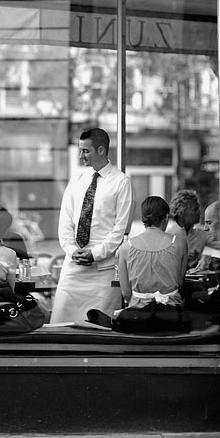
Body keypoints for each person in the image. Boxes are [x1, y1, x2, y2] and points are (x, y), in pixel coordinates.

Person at [50, 127, 135, 324]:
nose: (81, 156)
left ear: (101, 150)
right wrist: (72, 250)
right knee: (59, 323)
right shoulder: (77, 180)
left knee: (100, 328)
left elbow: (120, 230)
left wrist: (95, 253)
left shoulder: (121, 183)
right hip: (73, 266)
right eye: (80, 150)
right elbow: (65, 221)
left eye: (85, 151)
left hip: (103, 272)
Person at [115, 194, 192, 310]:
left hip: (138, 313)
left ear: (143, 219)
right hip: (171, 311)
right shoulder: (179, 244)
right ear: (166, 217)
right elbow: (180, 283)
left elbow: (126, 292)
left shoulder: (126, 247)